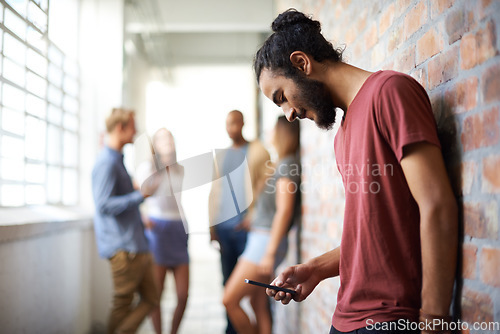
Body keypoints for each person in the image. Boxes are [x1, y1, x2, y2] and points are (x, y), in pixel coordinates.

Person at [254, 9, 458, 334]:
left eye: (282, 97)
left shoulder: (390, 92)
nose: (288, 114)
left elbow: (436, 205)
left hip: (392, 318)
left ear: (301, 63)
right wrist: (315, 269)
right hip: (347, 316)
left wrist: (434, 316)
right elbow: (372, 232)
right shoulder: (344, 133)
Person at [222, 115, 301, 334]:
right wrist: (252, 221)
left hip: (265, 243)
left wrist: (270, 252)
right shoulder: (283, 162)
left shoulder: (287, 164)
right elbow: (273, 209)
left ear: (284, 132)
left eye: (273, 129)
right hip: (260, 237)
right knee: (259, 305)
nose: (270, 133)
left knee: (229, 299)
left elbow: (284, 211)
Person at [92, 108, 160, 334]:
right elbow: (103, 205)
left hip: (136, 244)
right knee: (122, 304)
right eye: (132, 126)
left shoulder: (117, 160)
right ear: (120, 128)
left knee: (152, 298)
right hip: (124, 248)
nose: (136, 131)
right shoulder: (107, 163)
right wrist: (140, 195)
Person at [208, 110, 271, 334]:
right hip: (224, 229)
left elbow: (267, 185)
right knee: (227, 282)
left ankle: (259, 326)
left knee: (257, 290)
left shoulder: (257, 151)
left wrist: (253, 215)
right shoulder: (222, 156)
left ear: (242, 123)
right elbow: (215, 190)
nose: (231, 128)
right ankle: (232, 329)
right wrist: (211, 226)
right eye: (227, 124)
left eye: (234, 123)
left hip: (248, 230)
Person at [136, 128, 189, 334]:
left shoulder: (180, 169)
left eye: (170, 137)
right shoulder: (146, 168)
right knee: (156, 294)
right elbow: (137, 197)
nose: (167, 141)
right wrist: (144, 217)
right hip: (158, 231)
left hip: (179, 228)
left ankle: (173, 332)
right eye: (162, 138)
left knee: (183, 294)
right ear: (155, 145)